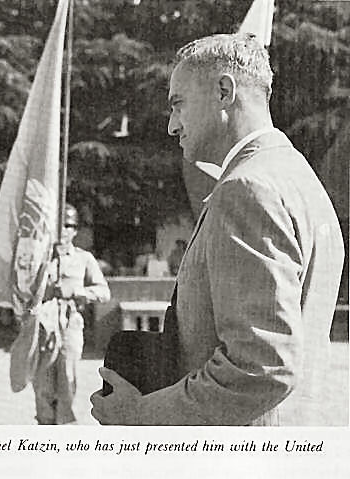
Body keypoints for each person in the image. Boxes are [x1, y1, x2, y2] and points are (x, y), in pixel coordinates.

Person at [91, 33, 344, 426]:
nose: (173, 125)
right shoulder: (300, 179)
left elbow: (261, 367)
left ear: (224, 90)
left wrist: (140, 416)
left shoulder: (247, 189)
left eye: (179, 105)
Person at [34, 203, 110, 424]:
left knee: (67, 378)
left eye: (69, 226)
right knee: (43, 382)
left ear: (75, 230)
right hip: (44, 326)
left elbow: (103, 292)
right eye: (60, 226)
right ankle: (45, 425)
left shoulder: (84, 259)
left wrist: (77, 291)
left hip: (70, 324)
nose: (64, 231)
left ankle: (65, 427)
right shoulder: (41, 260)